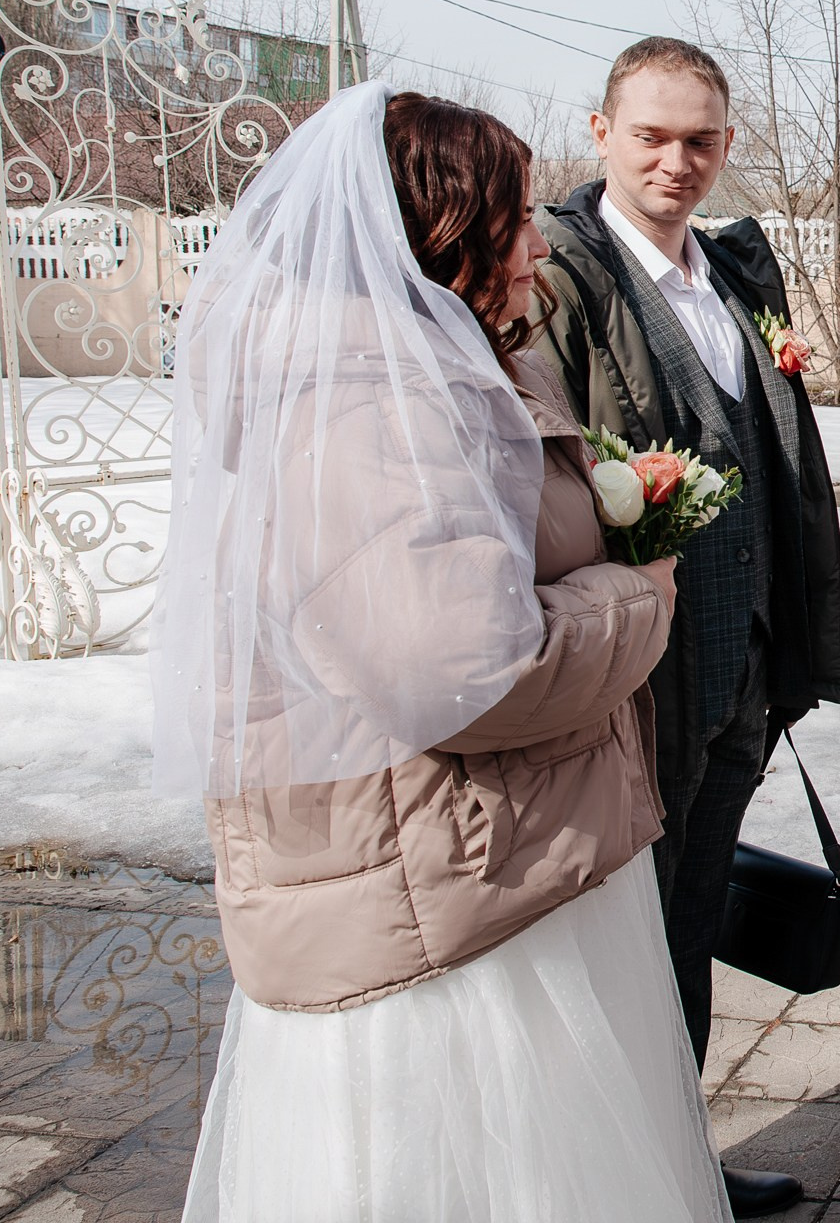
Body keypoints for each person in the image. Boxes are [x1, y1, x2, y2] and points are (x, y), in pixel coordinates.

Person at [159, 85, 725, 1220]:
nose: (534, 247)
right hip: (440, 912)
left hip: (487, 863)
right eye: (513, 220)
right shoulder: (367, 407)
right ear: (440, 233)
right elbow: (466, 670)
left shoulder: (451, 368)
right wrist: (640, 591)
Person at [534, 37, 840, 1221]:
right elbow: (552, 477)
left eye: (702, 139)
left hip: (745, 666)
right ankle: (604, 1180)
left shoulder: (731, 270)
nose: (678, 160)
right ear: (603, 132)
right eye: (653, 135)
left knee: (688, 925)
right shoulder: (563, 276)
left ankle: (676, 1162)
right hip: (633, 683)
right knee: (617, 936)